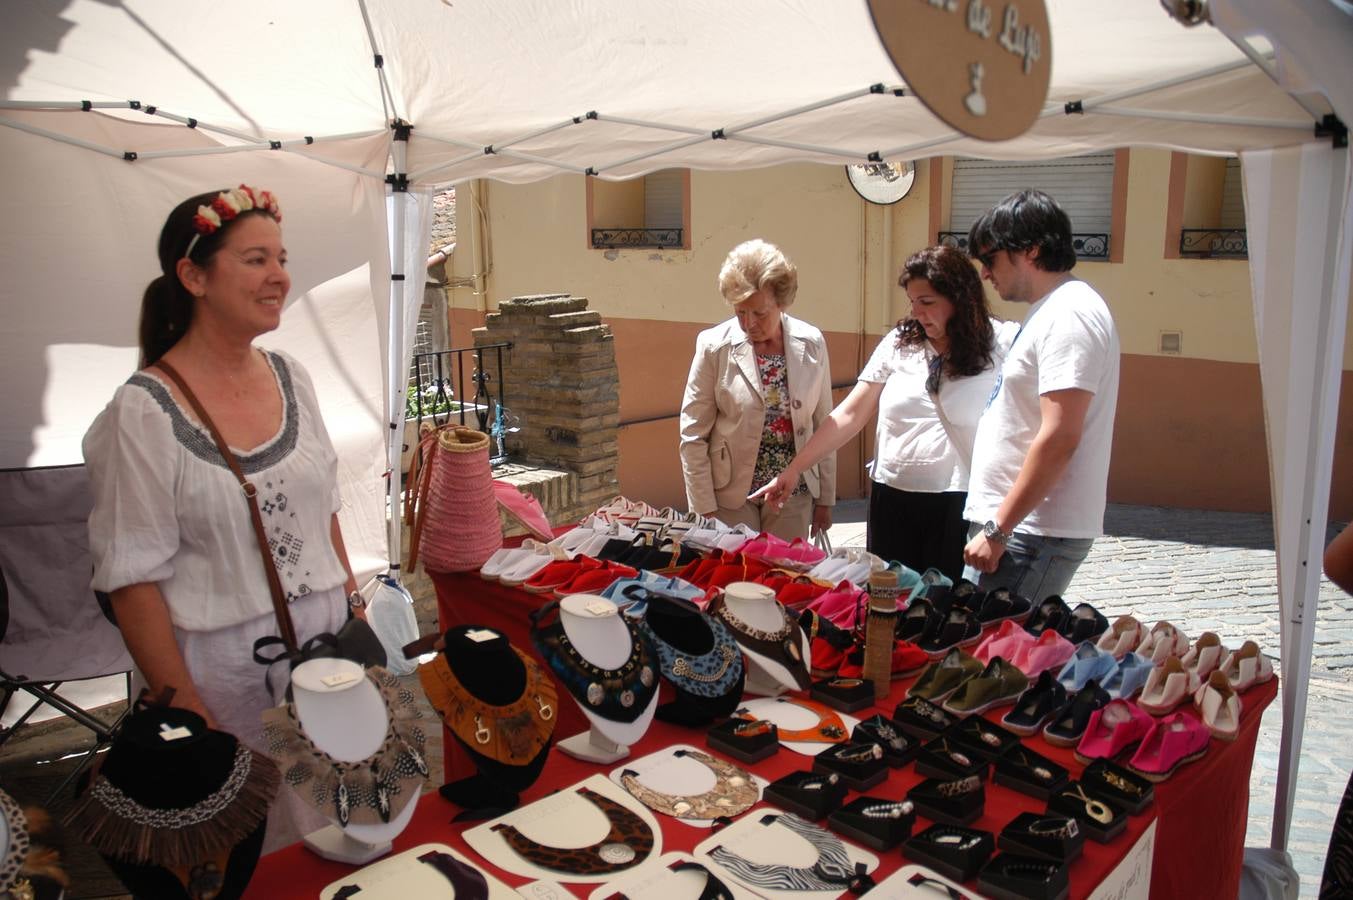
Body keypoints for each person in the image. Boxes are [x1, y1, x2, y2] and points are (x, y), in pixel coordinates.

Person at [82, 186, 362, 850]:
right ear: (193, 275)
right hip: (225, 676)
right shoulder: (142, 412)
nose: (279, 277)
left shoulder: (292, 375)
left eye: (282, 258)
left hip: (329, 651)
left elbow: (323, 510)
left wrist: (352, 612)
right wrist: (186, 706)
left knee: (354, 825)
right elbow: (131, 577)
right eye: (255, 259)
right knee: (264, 849)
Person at [752, 246, 1017, 579]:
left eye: (928, 302)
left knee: (946, 611)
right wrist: (794, 470)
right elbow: (851, 414)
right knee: (887, 604)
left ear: (960, 298)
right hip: (892, 498)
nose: (918, 313)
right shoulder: (900, 343)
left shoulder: (1001, 344)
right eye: (912, 302)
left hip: (957, 500)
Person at [961, 189, 1121, 600]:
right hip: (1019, 531)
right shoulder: (1053, 309)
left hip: (1030, 535)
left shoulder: (1070, 315)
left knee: (994, 657)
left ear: (1030, 251)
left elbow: (1061, 436)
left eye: (990, 259)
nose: (984, 273)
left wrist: (999, 528)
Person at [679, 239, 836, 541]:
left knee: (785, 577)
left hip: (793, 490)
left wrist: (826, 499)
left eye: (759, 313)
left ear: (782, 302)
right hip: (730, 495)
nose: (748, 323)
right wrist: (703, 508)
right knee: (736, 581)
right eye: (740, 312)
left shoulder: (812, 343)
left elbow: (823, 423)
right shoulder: (714, 346)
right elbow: (692, 433)